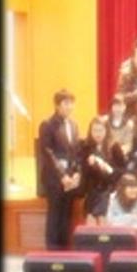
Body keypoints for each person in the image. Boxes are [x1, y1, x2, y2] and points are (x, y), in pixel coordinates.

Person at [38, 89, 81, 248]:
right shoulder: (47, 125)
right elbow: (48, 153)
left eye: (71, 103)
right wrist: (62, 176)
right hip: (55, 179)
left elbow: (76, 152)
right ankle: (52, 252)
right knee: (55, 215)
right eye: (66, 103)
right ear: (57, 105)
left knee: (66, 216)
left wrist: (76, 173)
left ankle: (64, 250)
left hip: (70, 179)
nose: (69, 106)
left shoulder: (74, 125)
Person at [78, 117, 126, 225]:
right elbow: (83, 172)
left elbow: (122, 170)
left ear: (106, 131)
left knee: (102, 214)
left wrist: (108, 170)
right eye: (95, 130)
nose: (97, 134)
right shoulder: (86, 147)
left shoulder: (114, 147)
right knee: (90, 217)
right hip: (92, 189)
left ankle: (103, 232)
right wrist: (89, 165)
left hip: (109, 188)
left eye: (100, 130)